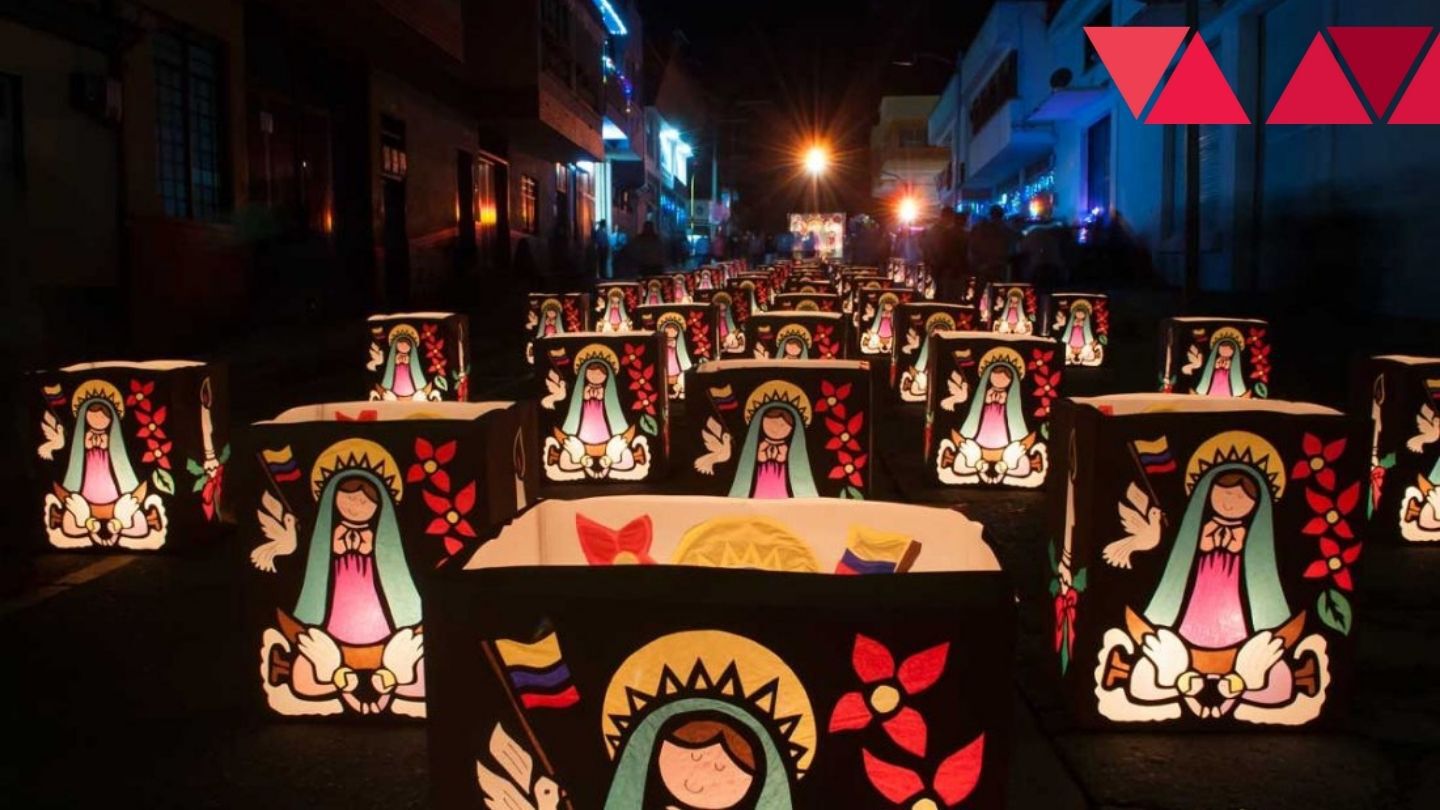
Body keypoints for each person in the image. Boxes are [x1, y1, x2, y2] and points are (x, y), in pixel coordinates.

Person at [970, 205, 1014, 286]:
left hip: (984, 267)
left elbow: (974, 247)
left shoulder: (981, 229)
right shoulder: (1007, 231)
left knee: (980, 290)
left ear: (990, 215)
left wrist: (978, 264)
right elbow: (1010, 251)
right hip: (998, 268)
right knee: (997, 291)